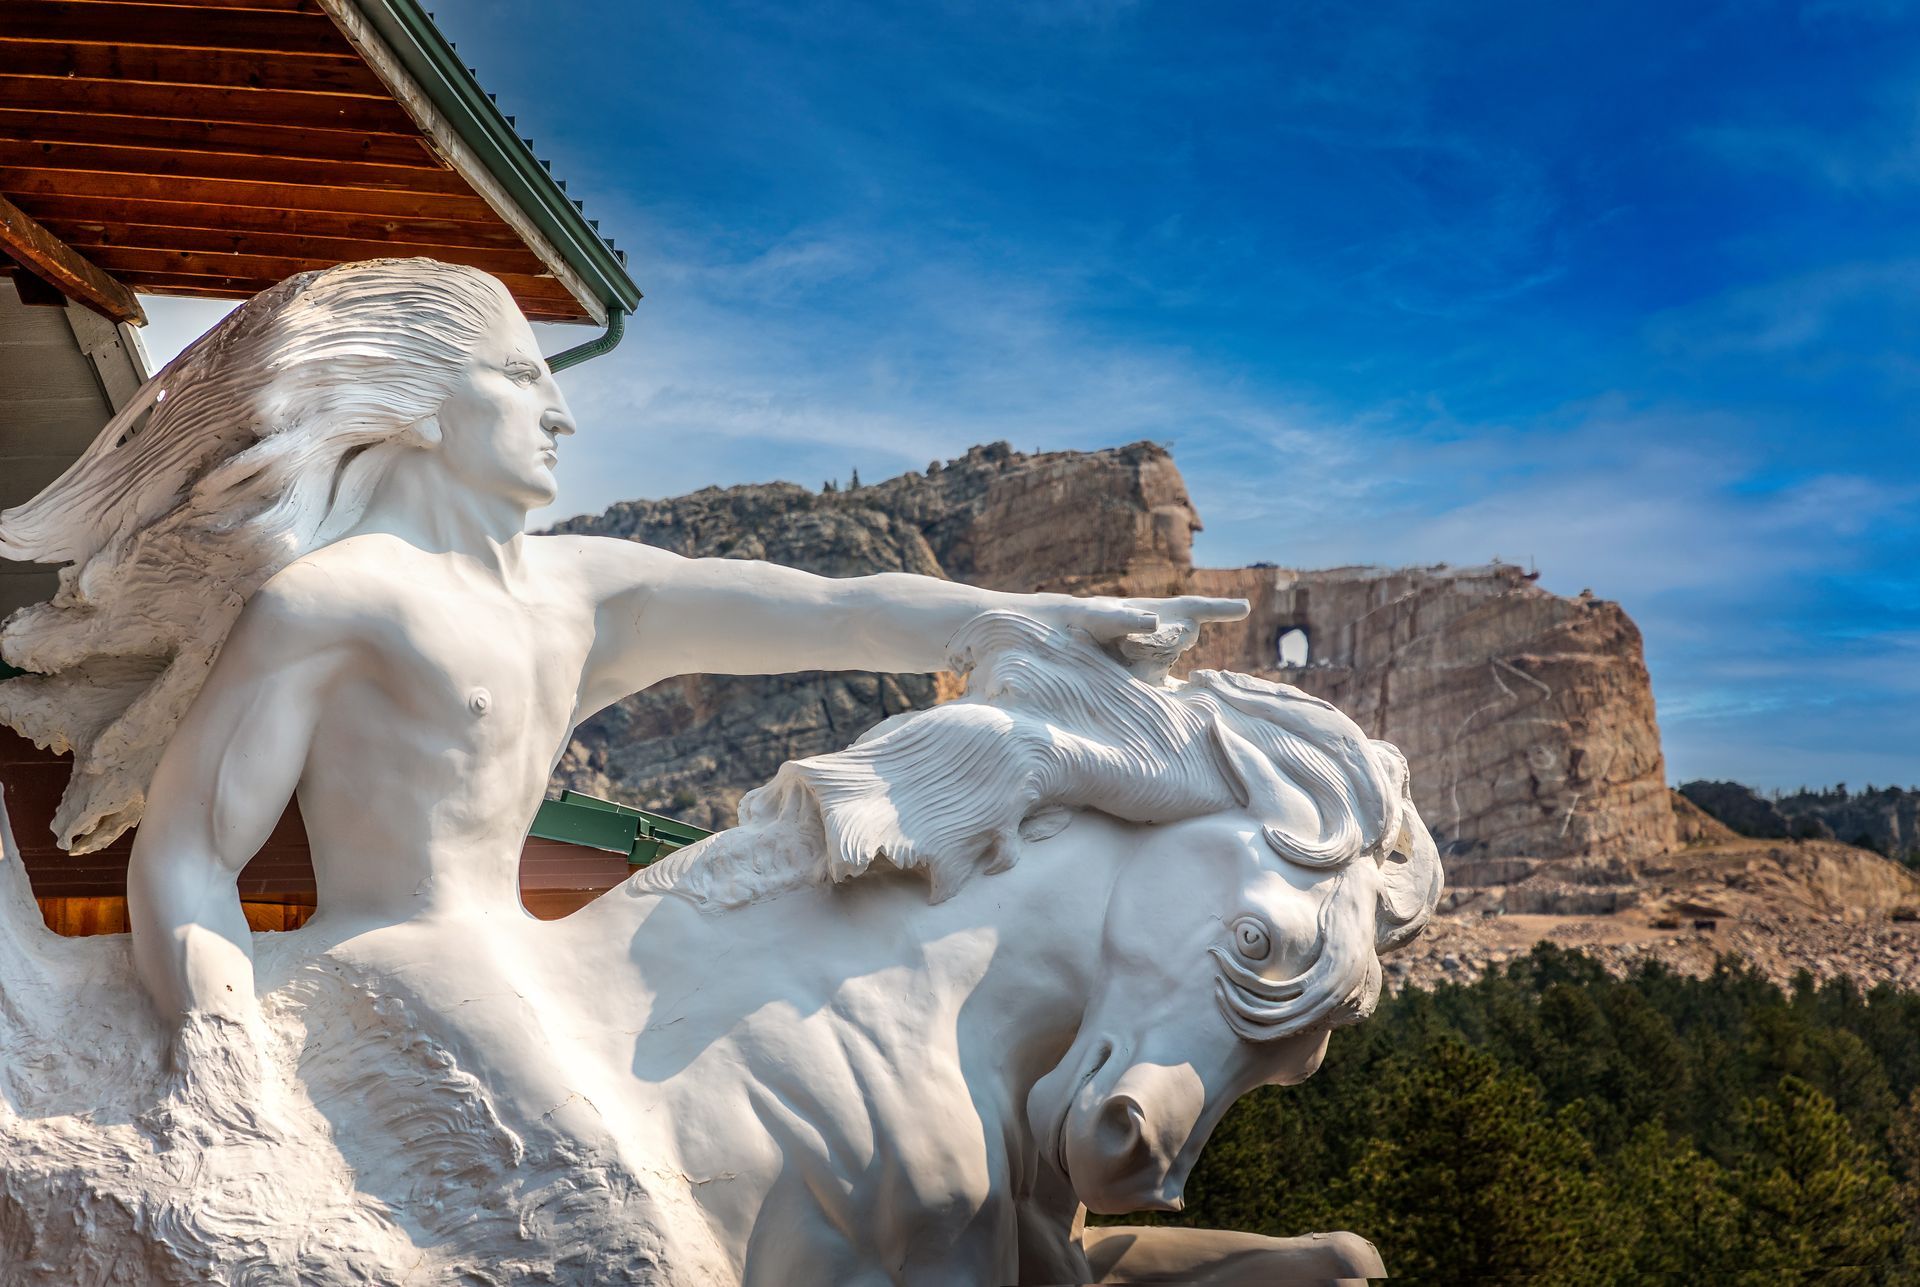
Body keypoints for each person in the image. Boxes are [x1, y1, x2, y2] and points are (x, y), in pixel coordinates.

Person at [0, 258, 1245, 1123]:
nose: (561, 416)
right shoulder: (338, 603)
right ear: (423, 409)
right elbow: (187, 853)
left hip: (527, 961)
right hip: (401, 970)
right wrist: (218, 1050)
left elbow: (828, 608)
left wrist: (1024, 617)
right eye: (520, 379)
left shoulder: (584, 591)